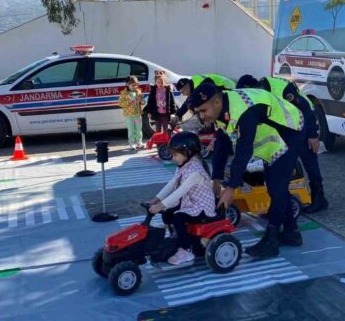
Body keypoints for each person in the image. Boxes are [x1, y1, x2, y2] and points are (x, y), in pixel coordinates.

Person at [191, 82, 304, 258]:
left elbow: (243, 152)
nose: (201, 116)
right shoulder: (223, 111)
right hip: (272, 137)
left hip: (290, 132)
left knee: (277, 187)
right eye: (198, 112)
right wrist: (216, 179)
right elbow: (221, 144)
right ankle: (291, 232)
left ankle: (271, 241)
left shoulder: (244, 112)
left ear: (216, 103)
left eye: (203, 111)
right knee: (276, 187)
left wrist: (231, 188)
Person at [237, 74, 329, 213]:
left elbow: (305, 109)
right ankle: (282, 200)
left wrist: (313, 135)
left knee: (310, 162)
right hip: (287, 129)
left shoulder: (282, 90)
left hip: (303, 125)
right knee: (283, 166)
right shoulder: (260, 94)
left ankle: (319, 198)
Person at [146, 131, 216, 265]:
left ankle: (185, 250)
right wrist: (155, 200)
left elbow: (180, 191)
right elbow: (172, 184)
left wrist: (161, 205)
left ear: (188, 152)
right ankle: (175, 235)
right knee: (167, 213)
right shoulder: (183, 165)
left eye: (175, 154)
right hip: (190, 202)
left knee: (178, 217)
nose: (173, 158)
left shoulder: (196, 170)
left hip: (202, 206)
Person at [118, 76, 145, 151]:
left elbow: (143, 102)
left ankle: (139, 142)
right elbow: (120, 103)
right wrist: (129, 102)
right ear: (127, 84)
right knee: (131, 130)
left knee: (139, 129)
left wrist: (142, 100)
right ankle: (132, 143)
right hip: (129, 115)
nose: (134, 86)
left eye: (136, 85)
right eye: (132, 85)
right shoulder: (124, 93)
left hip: (137, 114)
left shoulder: (138, 92)